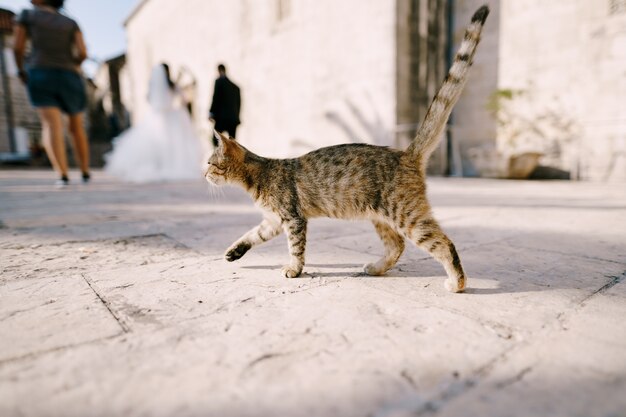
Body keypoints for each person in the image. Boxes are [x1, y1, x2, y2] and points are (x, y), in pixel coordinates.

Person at [13, 0, 91, 188]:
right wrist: (74, 65)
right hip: (70, 74)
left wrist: (21, 70)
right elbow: (82, 52)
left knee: (51, 124)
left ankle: (62, 174)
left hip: (41, 71)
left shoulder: (27, 15)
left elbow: (17, 47)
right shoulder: (70, 22)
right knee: (76, 125)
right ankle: (85, 171)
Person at [104, 63, 204, 183]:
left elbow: (149, 99)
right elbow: (183, 99)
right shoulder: (172, 85)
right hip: (170, 118)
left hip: (155, 117)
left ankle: (158, 166)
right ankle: (169, 166)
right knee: (173, 146)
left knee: (154, 145)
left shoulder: (153, 87)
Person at [209, 64, 241, 146]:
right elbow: (238, 104)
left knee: (215, 140)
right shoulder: (235, 87)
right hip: (233, 119)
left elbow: (215, 98)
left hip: (221, 118)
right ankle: (232, 159)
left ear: (219, 70)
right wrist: (236, 117)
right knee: (233, 144)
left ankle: (220, 157)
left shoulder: (219, 82)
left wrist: (211, 112)